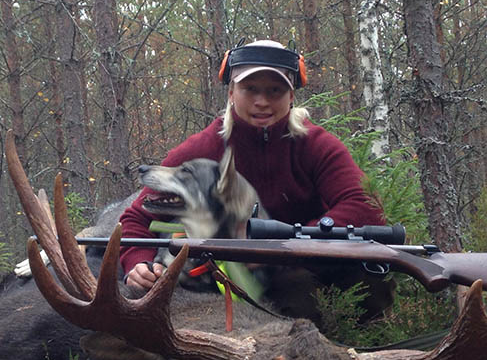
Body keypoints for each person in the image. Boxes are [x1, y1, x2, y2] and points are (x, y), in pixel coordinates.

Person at [118, 39, 392, 320]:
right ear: (231, 93)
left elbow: (365, 205)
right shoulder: (203, 148)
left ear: (291, 95)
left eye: (275, 90)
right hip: (226, 279)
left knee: (360, 282)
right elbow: (136, 219)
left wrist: (291, 244)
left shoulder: (317, 145)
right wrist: (137, 262)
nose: (262, 102)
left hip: (307, 265)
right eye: (250, 89)